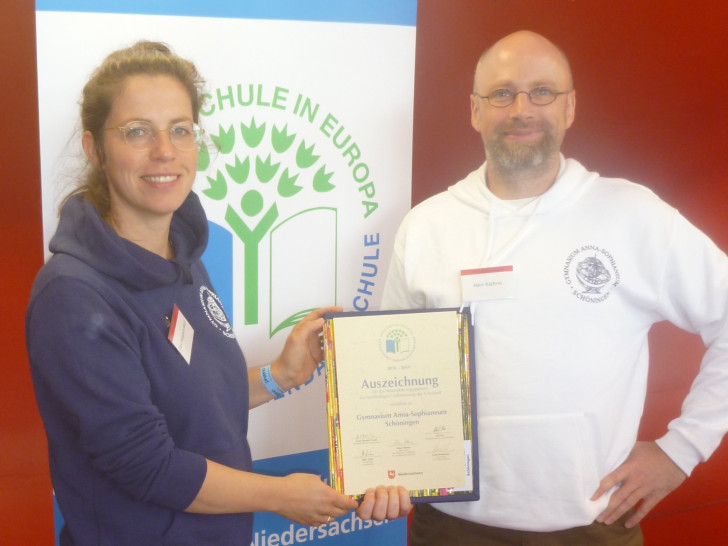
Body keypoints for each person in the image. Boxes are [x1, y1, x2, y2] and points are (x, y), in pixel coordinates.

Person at [26, 41, 410, 545]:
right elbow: (148, 464)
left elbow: (194, 402)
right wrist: (279, 495)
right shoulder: (74, 297)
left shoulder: (183, 258)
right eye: (137, 131)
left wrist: (281, 375)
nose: (165, 151)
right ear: (95, 148)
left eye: (180, 130)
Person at [381, 30, 728, 545]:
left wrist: (683, 449)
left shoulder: (632, 214)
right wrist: (388, 465)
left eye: (542, 92)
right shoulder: (427, 225)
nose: (522, 108)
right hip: (449, 527)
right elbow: (392, 370)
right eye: (502, 93)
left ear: (570, 108)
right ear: (475, 111)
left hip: (593, 527)